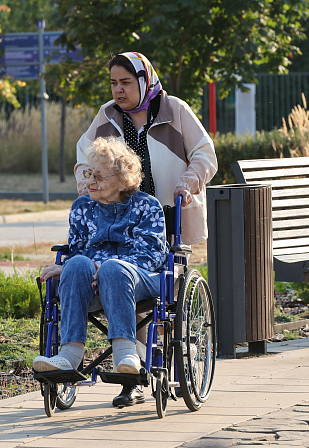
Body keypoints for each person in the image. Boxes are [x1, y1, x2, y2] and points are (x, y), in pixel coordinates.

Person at [75, 52, 218, 407]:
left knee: (157, 295)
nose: (118, 90)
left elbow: (205, 152)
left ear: (144, 81)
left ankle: (143, 367)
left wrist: (190, 178)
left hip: (169, 215)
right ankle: (134, 374)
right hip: (120, 215)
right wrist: (86, 181)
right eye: (113, 83)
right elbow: (83, 154)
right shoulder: (107, 116)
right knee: (128, 288)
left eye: (125, 82)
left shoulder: (175, 110)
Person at [33, 137, 169, 381]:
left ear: (121, 180)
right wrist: (65, 267)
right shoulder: (82, 207)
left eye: (99, 176)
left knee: (114, 269)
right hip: (95, 283)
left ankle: (126, 354)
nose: (89, 181)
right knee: (74, 264)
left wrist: (104, 266)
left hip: (141, 281)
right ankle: (70, 354)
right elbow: (77, 251)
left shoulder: (148, 206)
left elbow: (151, 256)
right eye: (89, 173)